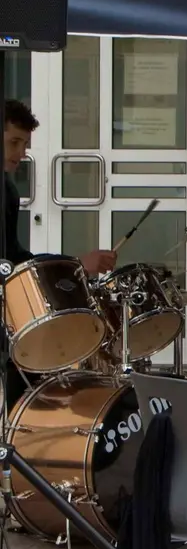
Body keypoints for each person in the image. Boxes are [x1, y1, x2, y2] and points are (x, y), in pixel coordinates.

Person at [4, 100, 117, 409]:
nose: (21, 153)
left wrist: (70, 266)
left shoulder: (8, 189)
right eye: (14, 142)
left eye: (25, 144)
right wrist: (77, 264)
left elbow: (14, 255)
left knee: (25, 363)